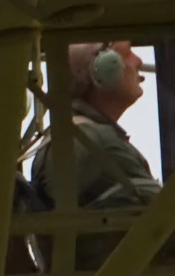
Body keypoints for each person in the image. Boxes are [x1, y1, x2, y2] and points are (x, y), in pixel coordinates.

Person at [30, 42, 158, 263]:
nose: (138, 61)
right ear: (103, 67)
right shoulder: (94, 143)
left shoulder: (74, 136)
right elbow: (166, 216)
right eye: (127, 53)